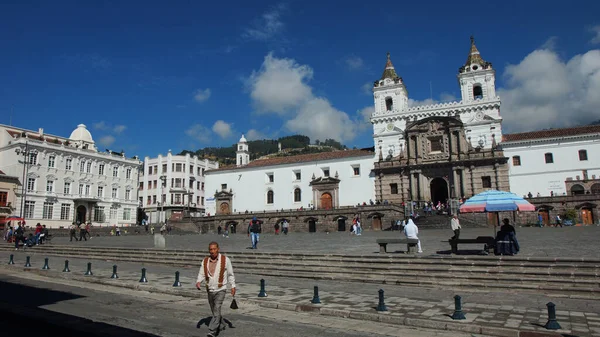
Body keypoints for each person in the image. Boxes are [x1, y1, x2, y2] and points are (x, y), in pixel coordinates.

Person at [196, 242, 236, 337]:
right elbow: (201, 273)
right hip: (209, 289)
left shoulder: (225, 260)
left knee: (217, 308)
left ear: (218, 249)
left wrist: (233, 286)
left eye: (214, 249)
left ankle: (213, 331)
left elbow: (230, 274)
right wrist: (198, 282)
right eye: (211, 249)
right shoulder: (205, 261)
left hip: (221, 289)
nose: (212, 251)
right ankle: (222, 324)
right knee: (214, 310)